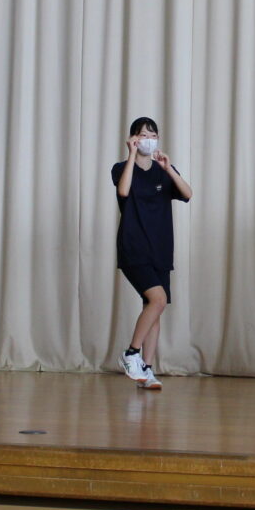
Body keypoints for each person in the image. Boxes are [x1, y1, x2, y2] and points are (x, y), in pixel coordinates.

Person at [112, 117, 192, 390]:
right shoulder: (122, 168)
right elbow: (123, 191)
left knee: (154, 309)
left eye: (152, 134)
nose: (148, 138)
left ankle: (146, 369)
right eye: (142, 134)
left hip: (160, 249)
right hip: (134, 247)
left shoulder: (162, 171)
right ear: (132, 138)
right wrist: (132, 154)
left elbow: (187, 193)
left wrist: (169, 169)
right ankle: (131, 354)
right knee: (156, 299)